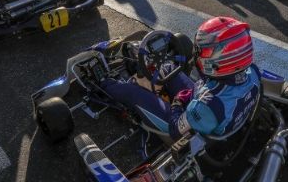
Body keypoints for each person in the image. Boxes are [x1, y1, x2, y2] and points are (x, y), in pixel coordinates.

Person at [101, 16, 261, 142]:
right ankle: (142, 68)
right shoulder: (253, 72)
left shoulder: (205, 108)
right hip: (212, 109)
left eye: (202, 51)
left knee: (134, 93)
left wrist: (177, 103)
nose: (197, 53)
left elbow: (175, 129)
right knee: (168, 67)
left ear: (221, 61)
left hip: (190, 127)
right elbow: (211, 91)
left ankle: (104, 83)